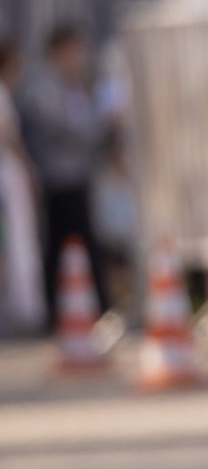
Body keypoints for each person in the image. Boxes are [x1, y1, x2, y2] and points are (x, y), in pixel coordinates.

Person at [16, 24, 114, 325]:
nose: (80, 57)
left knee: (80, 244)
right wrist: (100, 126)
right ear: (59, 50)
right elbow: (62, 128)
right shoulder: (42, 85)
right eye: (74, 50)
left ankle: (89, 306)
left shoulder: (72, 85)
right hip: (59, 179)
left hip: (77, 175)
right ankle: (65, 310)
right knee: (65, 245)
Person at [0, 39, 45, 336]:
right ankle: (18, 311)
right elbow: (9, 137)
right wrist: (29, 169)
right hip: (6, 176)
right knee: (14, 241)